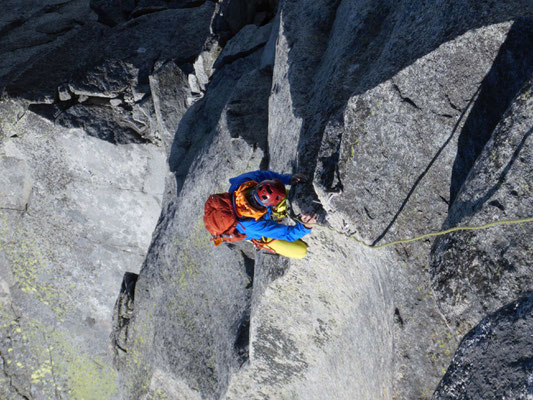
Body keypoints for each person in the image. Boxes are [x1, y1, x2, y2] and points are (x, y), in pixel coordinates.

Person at [228, 170, 317, 259]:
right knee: (301, 251)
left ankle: (276, 210)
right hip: (256, 232)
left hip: (260, 215)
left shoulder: (245, 181)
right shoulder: (252, 224)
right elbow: (287, 234)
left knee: (285, 195)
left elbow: (263, 174)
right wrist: (305, 227)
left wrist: (288, 179)